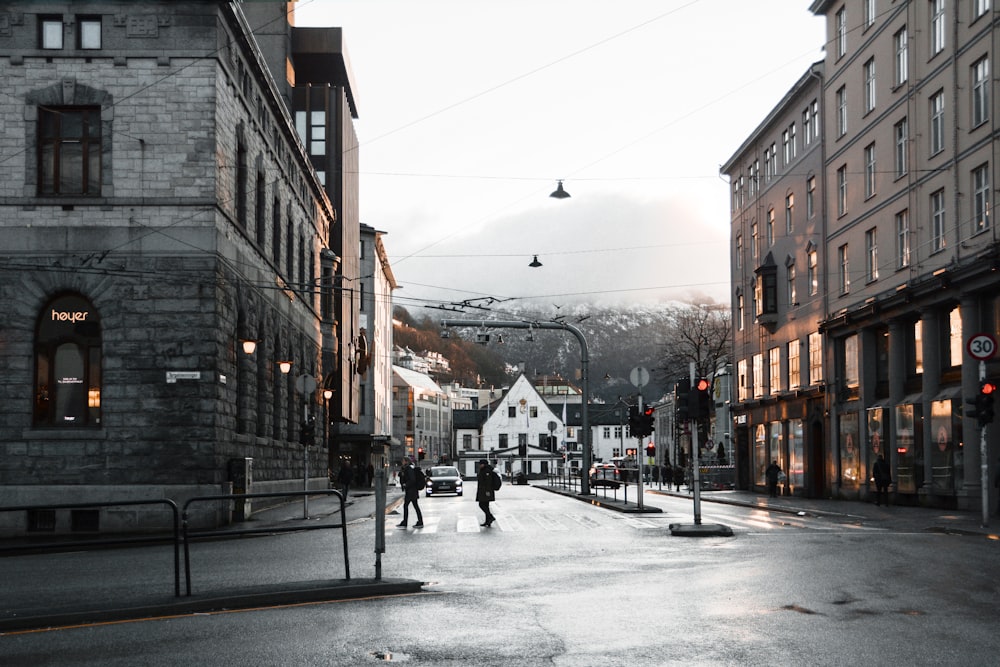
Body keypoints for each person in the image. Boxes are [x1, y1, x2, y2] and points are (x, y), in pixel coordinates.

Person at [397, 456, 424, 528]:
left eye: (403, 461)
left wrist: (406, 484)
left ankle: (405, 522)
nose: (402, 462)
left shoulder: (409, 469)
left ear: (406, 461)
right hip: (412, 491)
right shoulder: (407, 468)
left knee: (406, 506)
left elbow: (412, 479)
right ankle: (419, 521)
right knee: (415, 506)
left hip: (411, 491)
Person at [476, 459, 496, 527]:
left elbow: (488, 482)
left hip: (486, 491)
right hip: (483, 491)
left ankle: (490, 517)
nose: (479, 465)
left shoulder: (487, 471)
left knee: (481, 504)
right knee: (486, 506)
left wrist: (487, 491)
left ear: (484, 464)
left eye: (480, 464)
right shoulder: (484, 470)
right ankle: (488, 521)